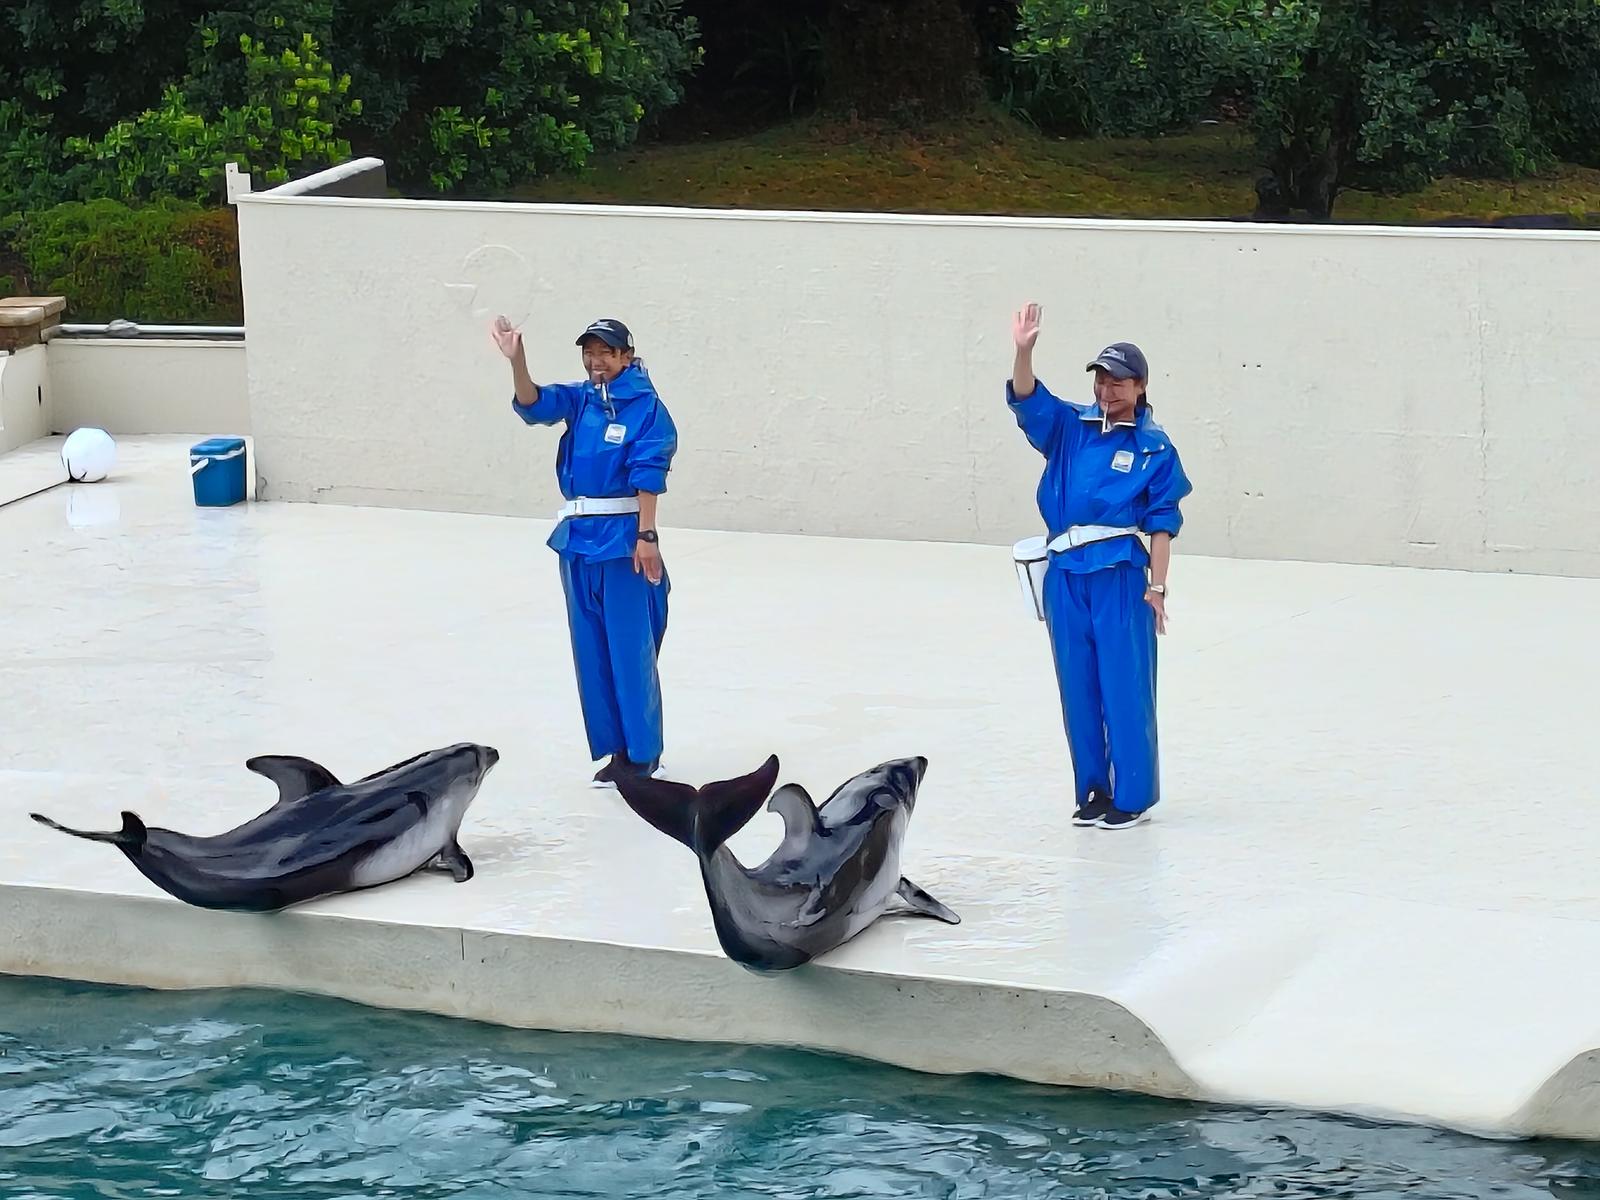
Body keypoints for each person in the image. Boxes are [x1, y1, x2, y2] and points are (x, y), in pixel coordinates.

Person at [1007, 302, 1192, 829]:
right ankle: (1093, 789)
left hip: (1119, 574)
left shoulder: (1155, 449)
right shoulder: (1070, 428)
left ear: (1140, 386)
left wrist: (1158, 587)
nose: (1107, 390)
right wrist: (1023, 352)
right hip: (1065, 574)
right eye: (1101, 379)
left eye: (1119, 382)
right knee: (1078, 686)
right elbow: (1027, 398)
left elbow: (1161, 523)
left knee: (1124, 685)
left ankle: (1132, 796)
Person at [489, 314, 678, 788]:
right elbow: (534, 404)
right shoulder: (581, 399)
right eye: (589, 352)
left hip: (623, 542)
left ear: (626, 357)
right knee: (591, 650)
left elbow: (649, 471)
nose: (596, 361)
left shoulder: (647, 409)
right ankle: (616, 750)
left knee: (630, 649)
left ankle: (643, 754)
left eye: (605, 353)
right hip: (576, 540)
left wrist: (647, 536)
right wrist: (517, 361)